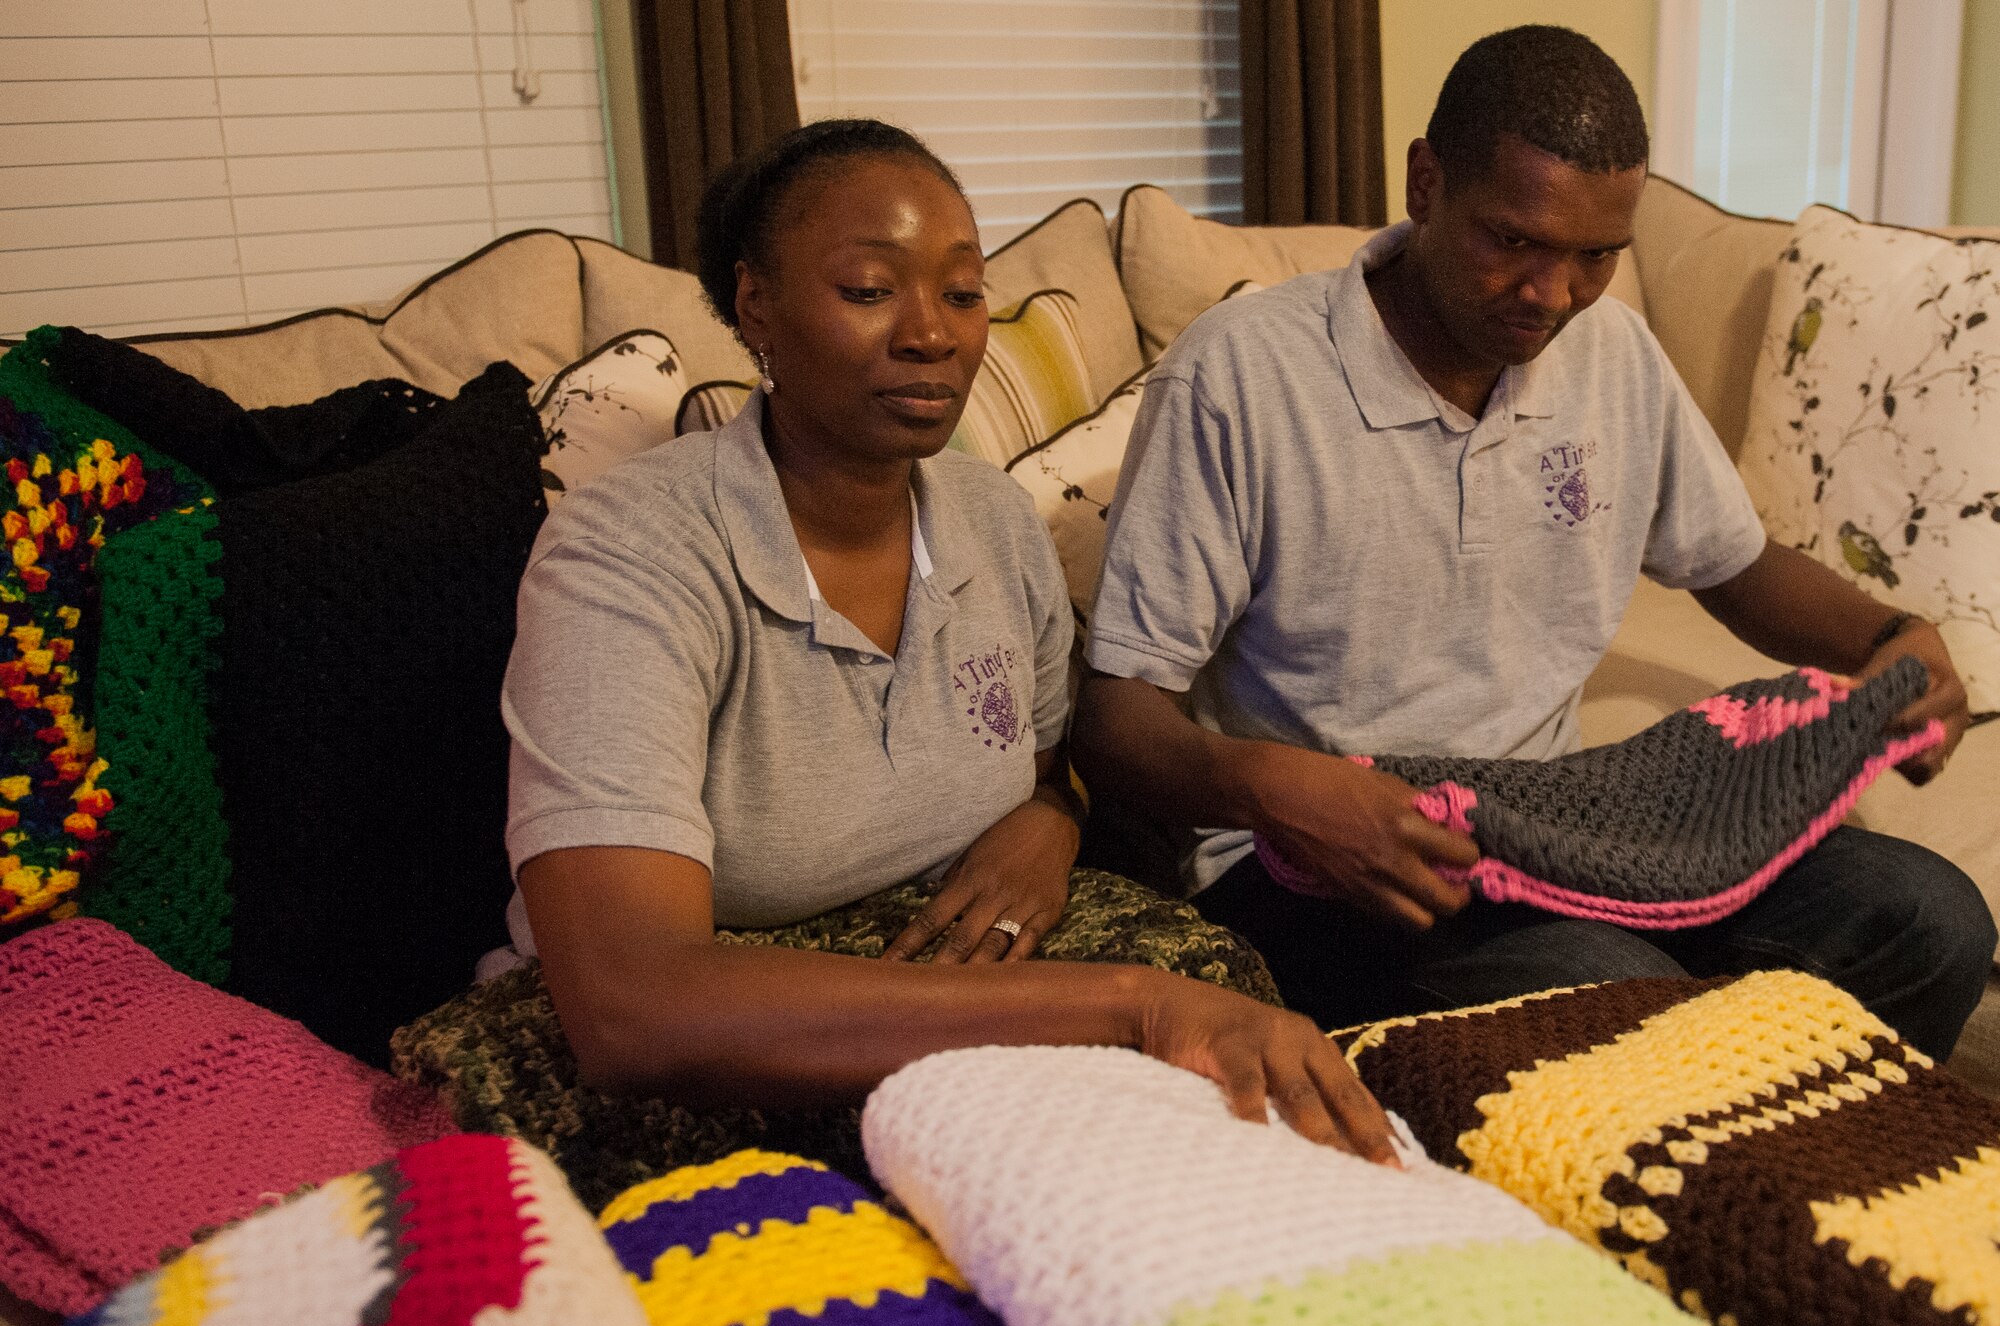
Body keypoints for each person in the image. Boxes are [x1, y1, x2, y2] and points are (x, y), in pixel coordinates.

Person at [1071, 26, 1996, 1060]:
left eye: (1595, 255)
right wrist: (1268, 786)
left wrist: (1891, 633)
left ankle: (1752, 1122)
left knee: (1927, 916)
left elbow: (1733, 563)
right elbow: (1113, 718)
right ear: (1424, 181)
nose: (1551, 294)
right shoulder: (1240, 376)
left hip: (1556, 823)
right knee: (1611, 996)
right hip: (1322, 863)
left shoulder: (1608, 355)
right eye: (1510, 241)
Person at [501, 118, 1396, 1162]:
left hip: (958, 962)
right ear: (757, 307)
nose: (931, 333)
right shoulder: (629, 555)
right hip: (729, 1026)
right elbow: (633, 1005)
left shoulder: (990, 521)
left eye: (963, 293)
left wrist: (1050, 822)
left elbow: (1054, 765)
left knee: (1249, 1083)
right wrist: (1132, 1006)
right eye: (870, 291)